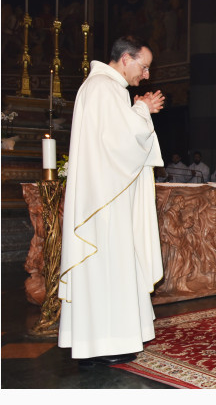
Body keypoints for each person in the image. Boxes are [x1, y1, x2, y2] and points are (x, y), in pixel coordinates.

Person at [58, 35, 165, 366]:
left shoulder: (102, 88)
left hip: (102, 198)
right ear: (126, 59)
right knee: (109, 269)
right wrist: (142, 109)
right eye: (143, 67)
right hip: (105, 203)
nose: (146, 75)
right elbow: (118, 145)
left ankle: (93, 344)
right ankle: (109, 344)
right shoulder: (104, 89)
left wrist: (136, 109)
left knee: (101, 273)